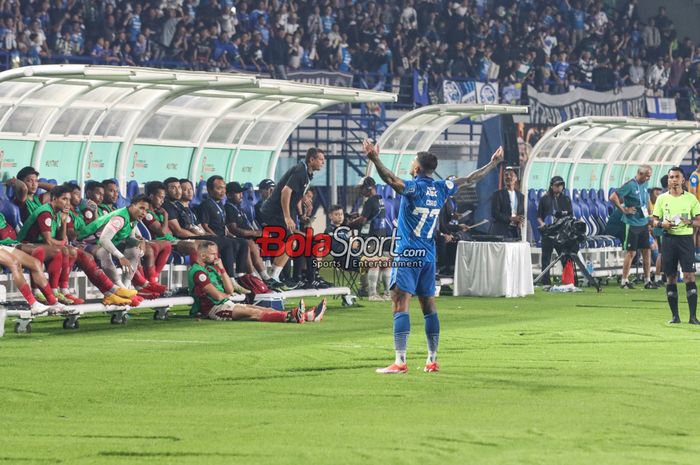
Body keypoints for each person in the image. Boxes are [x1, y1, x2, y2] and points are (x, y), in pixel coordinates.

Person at [363, 139, 504, 374]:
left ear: (417, 169)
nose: (410, 165)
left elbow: (390, 180)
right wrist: (492, 164)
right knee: (429, 305)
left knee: (400, 304)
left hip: (408, 253)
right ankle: (432, 359)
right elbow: (471, 179)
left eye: (412, 162)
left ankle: (400, 361)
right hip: (428, 255)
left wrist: (375, 158)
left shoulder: (413, 187)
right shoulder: (442, 187)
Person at [189, 241, 326, 323]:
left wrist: (222, 269)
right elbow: (218, 296)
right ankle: (291, 317)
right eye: (213, 254)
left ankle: (306, 316)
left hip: (225, 303)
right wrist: (226, 296)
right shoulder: (199, 272)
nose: (216, 256)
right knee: (253, 313)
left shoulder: (211, 269)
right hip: (213, 309)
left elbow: (229, 291)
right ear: (202, 255)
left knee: (265, 309)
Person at [257, 147, 326, 289]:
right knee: (292, 241)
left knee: (294, 242)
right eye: (320, 159)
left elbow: (296, 194)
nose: (323, 163)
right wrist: (288, 217)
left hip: (279, 213)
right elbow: (286, 192)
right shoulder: (300, 170)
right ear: (311, 159)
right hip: (272, 212)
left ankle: (273, 275)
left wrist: (301, 212)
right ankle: (272, 276)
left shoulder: (307, 173)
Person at [652, 167, 700, 325]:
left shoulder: (691, 199)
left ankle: (693, 317)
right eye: (671, 177)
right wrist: (662, 223)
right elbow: (654, 222)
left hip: (685, 240)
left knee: (689, 276)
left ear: (683, 180)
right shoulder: (661, 199)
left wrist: (690, 222)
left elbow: (699, 220)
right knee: (670, 277)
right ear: (668, 180)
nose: (673, 180)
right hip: (669, 240)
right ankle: (675, 316)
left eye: (676, 177)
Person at [610, 165, 656, 289]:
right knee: (631, 252)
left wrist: (649, 217)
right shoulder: (630, 185)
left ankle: (647, 281)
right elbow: (613, 196)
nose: (648, 178)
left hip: (643, 222)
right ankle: (624, 281)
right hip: (632, 223)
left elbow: (645, 200)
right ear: (640, 173)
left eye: (649, 176)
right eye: (647, 176)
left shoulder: (645, 184)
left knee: (647, 251)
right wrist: (624, 209)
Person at [347, 176, 391, 301]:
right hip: (381, 236)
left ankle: (371, 293)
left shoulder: (369, 201)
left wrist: (351, 223)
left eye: (362, 188)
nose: (361, 191)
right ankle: (387, 293)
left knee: (372, 264)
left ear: (368, 188)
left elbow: (363, 220)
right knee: (384, 263)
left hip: (370, 237)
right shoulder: (380, 200)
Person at [536, 176, 573, 286]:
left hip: (561, 233)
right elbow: (539, 216)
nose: (559, 187)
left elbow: (570, 215)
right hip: (548, 231)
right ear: (551, 186)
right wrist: (542, 224)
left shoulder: (566, 199)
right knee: (546, 258)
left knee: (565, 256)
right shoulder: (545, 198)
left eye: (561, 185)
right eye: (557, 185)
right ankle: (546, 281)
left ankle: (567, 280)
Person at [490, 167, 525, 239]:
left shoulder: (520, 196)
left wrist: (520, 220)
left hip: (515, 231)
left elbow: (521, 212)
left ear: (516, 178)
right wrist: (511, 218)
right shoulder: (497, 194)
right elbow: (495, 213)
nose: (508, 177)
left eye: (511, 175)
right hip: (501, 231)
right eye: (506, 175)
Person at [687, 163, 700, 261]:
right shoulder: (694, 176)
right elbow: (693, 193)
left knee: (698, 231)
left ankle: (698, 252)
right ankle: (692, 253)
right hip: (696, 208)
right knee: (694, 230)